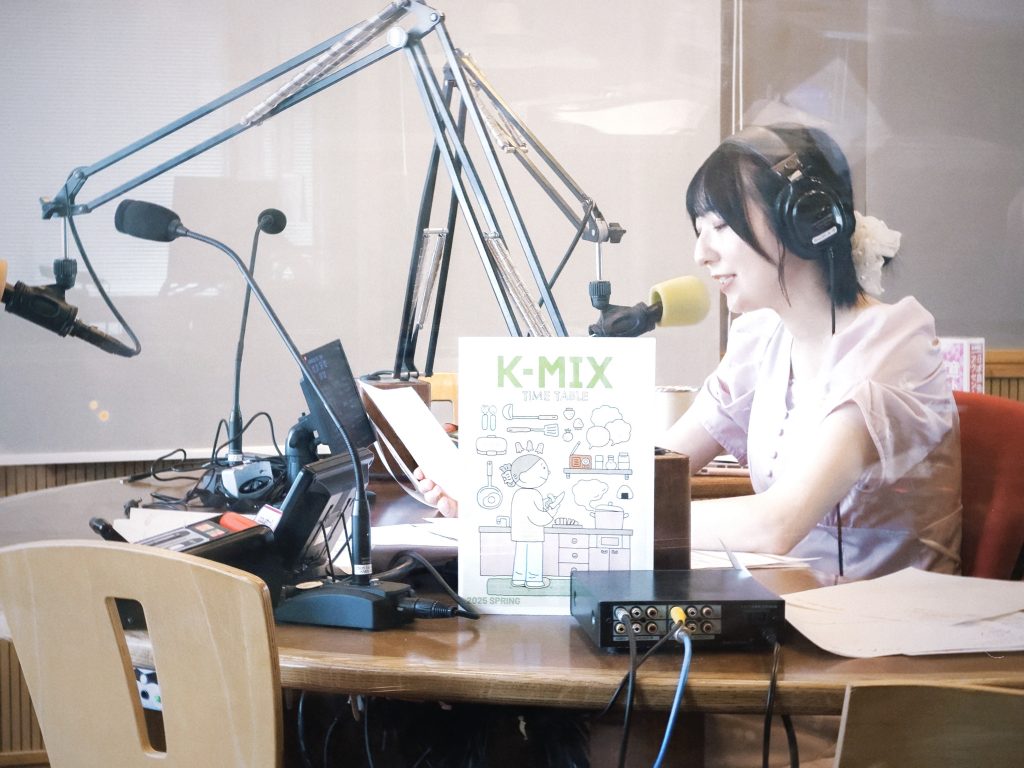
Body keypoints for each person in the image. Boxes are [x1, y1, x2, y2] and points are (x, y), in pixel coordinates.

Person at [416, 122, 962, 583]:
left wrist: (569, 523)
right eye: (700, 230)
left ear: (805, 222)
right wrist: (501, 494)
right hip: (785, 614)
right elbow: (653, 468)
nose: (701, 253)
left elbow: (777, 522)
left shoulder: (893, 344)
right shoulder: (762, 339)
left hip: (879, 643)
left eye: (721, 226)